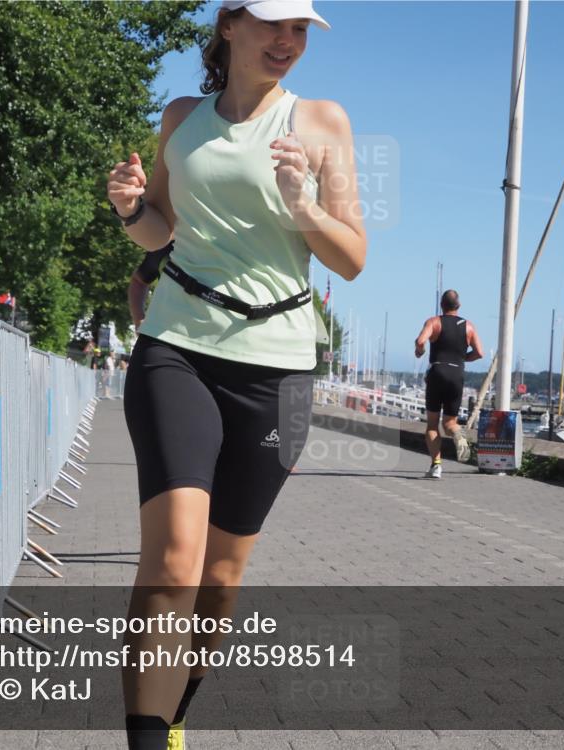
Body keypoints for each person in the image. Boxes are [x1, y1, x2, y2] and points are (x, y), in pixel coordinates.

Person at [105, 1, 366, 747]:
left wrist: (304, 206)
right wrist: (130, 211)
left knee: (218, 582)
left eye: (299, 30)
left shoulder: (323, 123)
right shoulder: (182, 116)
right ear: (229, 26)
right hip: (176, 347)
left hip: (278, 372)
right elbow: (159, 224)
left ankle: (176, 717)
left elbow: (351, 256)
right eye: (272, 25)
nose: (287, 41)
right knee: (174, 562)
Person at [414, 290, 484, 478]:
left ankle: (436, 465)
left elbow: (421, 340)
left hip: (437, 372)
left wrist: (419, 350)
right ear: (458, 306)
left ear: (441, 305)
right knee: (450, 422)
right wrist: (463, 358)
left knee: (432, 425)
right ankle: (457, 434)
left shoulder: (434, 322)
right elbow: (479, 353)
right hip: (457, 373)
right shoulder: (468, 326)